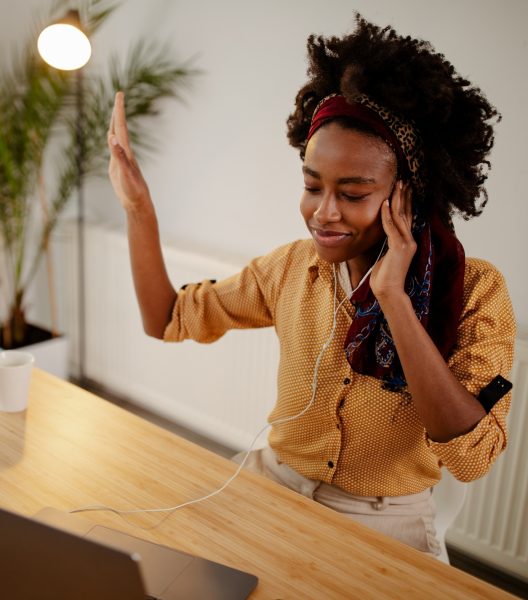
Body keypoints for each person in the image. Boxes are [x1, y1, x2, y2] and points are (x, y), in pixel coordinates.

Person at [106, 15, 516, 556]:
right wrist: (139, 210)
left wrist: (394, 299)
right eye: (312, 185)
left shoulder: (476, 291)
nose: (323, 213)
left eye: (353, 193)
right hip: (272, 484)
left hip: (384, 522)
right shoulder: (291, 269)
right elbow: (167, 318)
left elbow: (472, 457)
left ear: (406, 195)